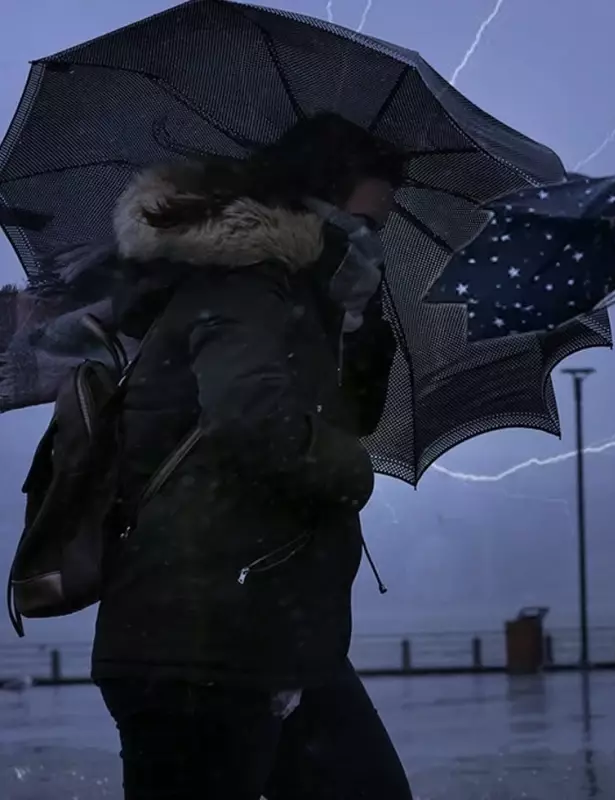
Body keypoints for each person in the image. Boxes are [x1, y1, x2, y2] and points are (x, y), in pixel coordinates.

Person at [91, 115, 411, 799]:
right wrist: (353, 472)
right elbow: (252, 420)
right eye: (363, 225)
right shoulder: (244, 286)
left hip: (270, 632)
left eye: (378, 231)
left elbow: (351, 415)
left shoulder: (300, 301)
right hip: (202, 643)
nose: (370, 244)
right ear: (312, 206)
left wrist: (358, 322)